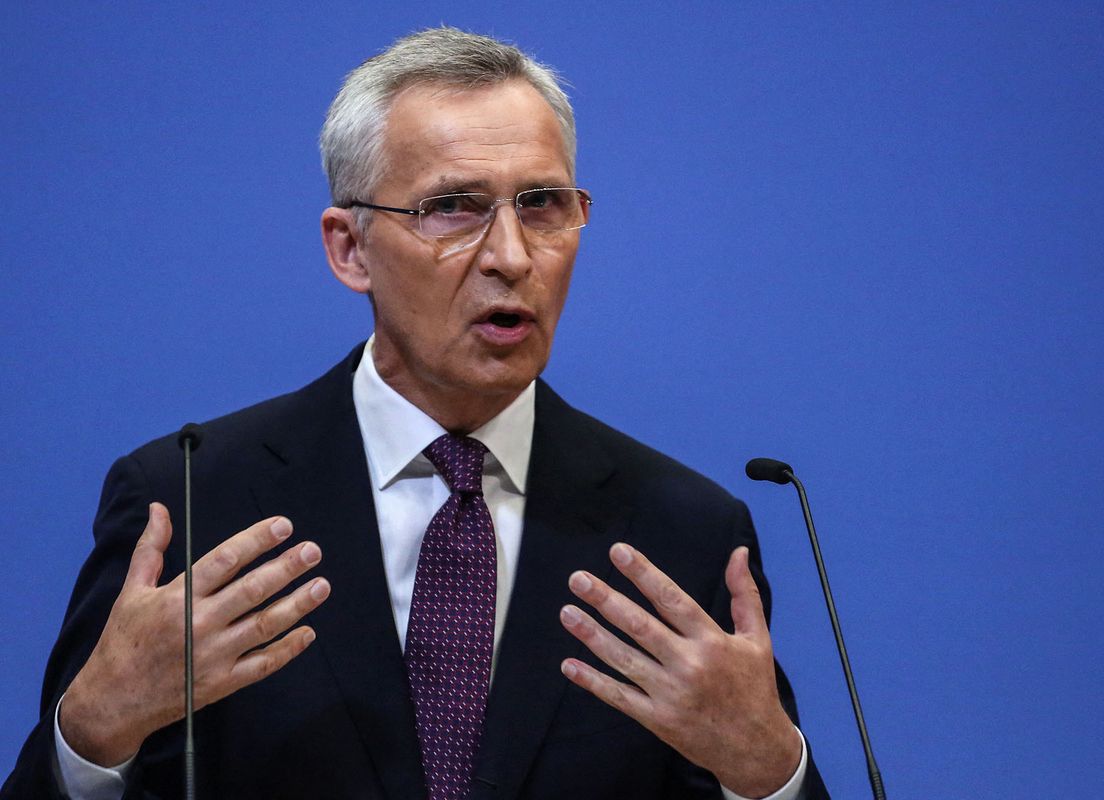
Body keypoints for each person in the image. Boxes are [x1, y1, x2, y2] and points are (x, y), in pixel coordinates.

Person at [2, 27, 829, 800]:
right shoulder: (192, 500)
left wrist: (767, 772)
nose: (510, 256)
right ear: (350, 248)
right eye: (454, 207)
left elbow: (755, 771)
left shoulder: (680, 534)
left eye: (541, 203)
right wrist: (92, 734)